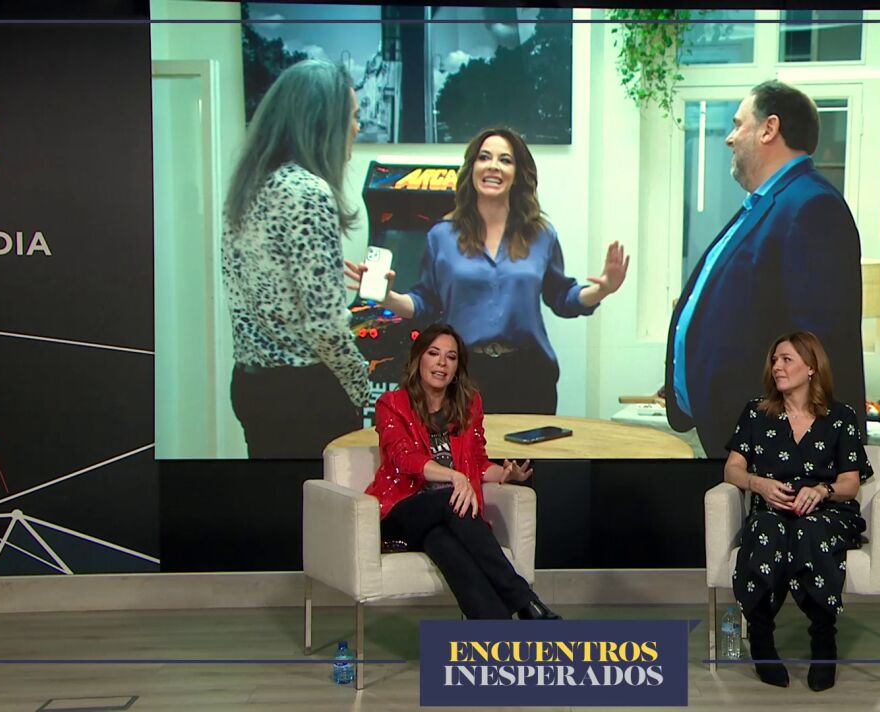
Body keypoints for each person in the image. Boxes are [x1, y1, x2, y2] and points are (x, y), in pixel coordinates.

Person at [346, 127, 629, 414]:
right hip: (463, 375)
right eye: (484, 157)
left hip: (529, 375)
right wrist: (387, 297)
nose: (493, 165)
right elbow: (425, 303)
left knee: (524, 446)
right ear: (472, 169)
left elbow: (563, 297)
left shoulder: (541, 234)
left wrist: (602, 289)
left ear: (517, 174)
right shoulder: (442, 236)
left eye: (505, 160)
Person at [665, 80, 865, 458]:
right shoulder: (767, 204)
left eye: (738, 124)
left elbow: (819, 347)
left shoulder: (811, 207)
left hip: (777, 451)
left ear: (769, 128)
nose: (729, 138)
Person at [221, 59, 371, 458]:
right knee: (322, 499)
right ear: (323, 122)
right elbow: (323, 324)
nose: (357, 127)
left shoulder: (249, 186)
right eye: (353, 116)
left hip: (253, 385)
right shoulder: (308, 192)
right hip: (306, 395)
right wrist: (360, 383)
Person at [364, 323, 561, 620]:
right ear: (419, 359)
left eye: (451, 357)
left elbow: (477, 463)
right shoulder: (392, 404)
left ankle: (498, 635)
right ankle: (526, 602)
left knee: (446, 547)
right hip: (401, 512)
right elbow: (405, 458)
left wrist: (505, 475)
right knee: (449, 498)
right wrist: (454, 477)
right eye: (434, 353)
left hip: (447, 519)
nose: (442, 363)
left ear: (458, 367)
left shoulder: (468, 405)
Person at [724, 331, 871, 691]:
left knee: (810, 531)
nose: (777, 366)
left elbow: (850, 482)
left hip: (825, 512)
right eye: (774, 360)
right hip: (772, 511)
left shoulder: (840, 417)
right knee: (766, 530)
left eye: (786, 359)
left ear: (811, 367)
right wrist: (758, 484)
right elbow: (732, 470)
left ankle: (824, 644)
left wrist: (822, 490)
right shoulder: (757, 413)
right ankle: (762, 640)